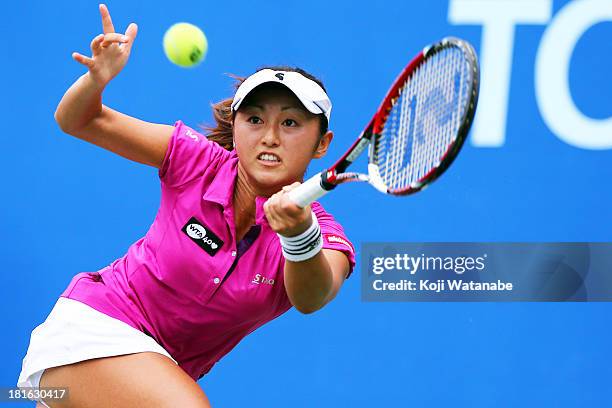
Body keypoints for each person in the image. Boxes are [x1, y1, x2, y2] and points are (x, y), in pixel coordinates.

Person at [17, 4, 355, 408]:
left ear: (323, 143)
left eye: (290, 123)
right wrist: (96, 80)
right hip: (92, 329)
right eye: (254, 120)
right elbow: (79, 121)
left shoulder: (320, 232)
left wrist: (299, 236)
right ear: (236, 126)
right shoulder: (197, 160)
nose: (269, 137)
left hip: (148, 375)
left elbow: (312, 296)